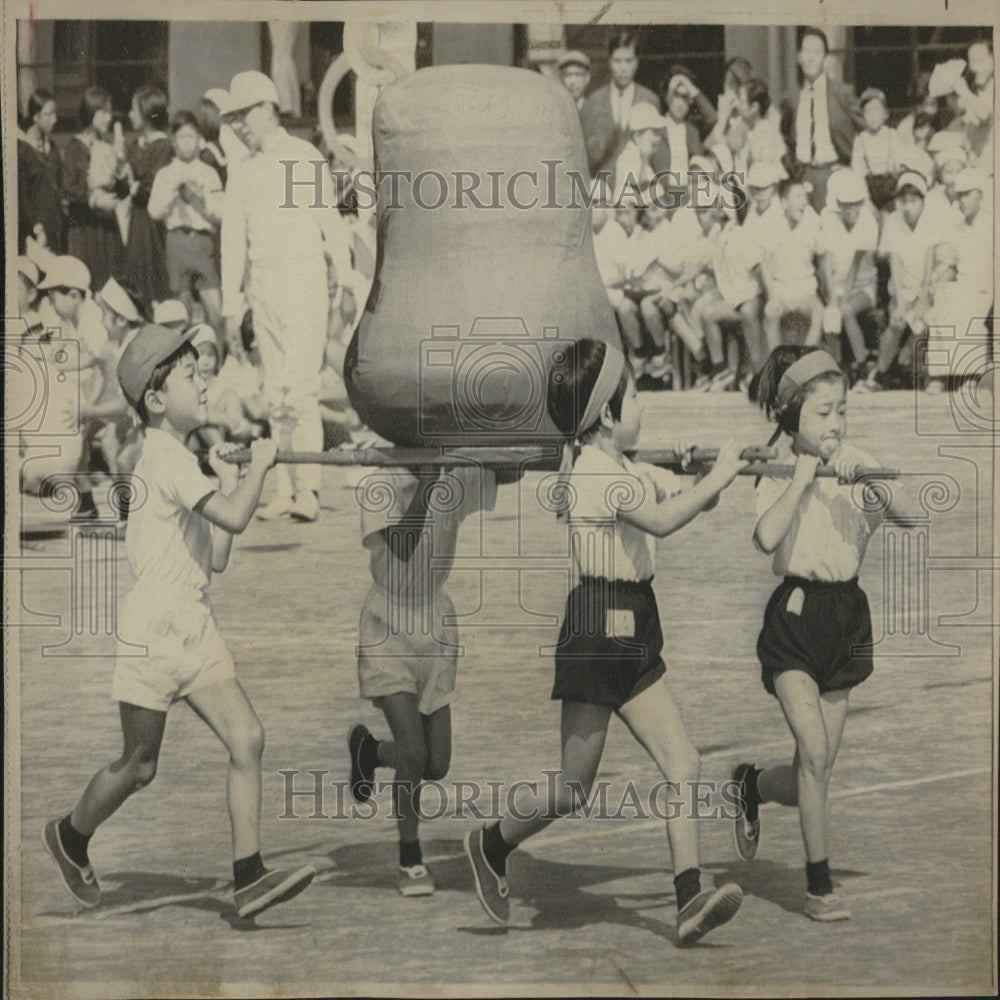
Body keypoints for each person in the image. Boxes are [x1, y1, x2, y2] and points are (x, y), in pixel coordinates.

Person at [463, 338, 747, 941]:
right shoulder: (594, 473)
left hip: (636, 620)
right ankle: (489, 842)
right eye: (636, 396)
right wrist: (716, 474)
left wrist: (702, 474)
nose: (643, 406)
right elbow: (666, 520)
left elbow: (690, 498)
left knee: (683, 763)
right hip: (597, 625)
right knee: (572, 788)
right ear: (607, 417)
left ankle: (689, 898)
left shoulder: (621, 466)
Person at [42, 322, 316, 919]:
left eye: (202, 370)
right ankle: (70, 835)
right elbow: (240, 522)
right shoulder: (163, 458)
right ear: (158, 400)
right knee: (139, 766)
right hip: (152, 631)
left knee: (248, 738)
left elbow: (215, 555)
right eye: (191, 374)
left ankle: (248, 877)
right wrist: (260, 467)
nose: (204, 380)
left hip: (192, 622)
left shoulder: (183, 460)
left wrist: (230, 477)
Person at [731, 345, 918, 922]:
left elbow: (913, 516)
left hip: (846, 618)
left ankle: (753, 785)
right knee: (814, 753)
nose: (835, 423)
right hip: (794, 616)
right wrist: (804, 479)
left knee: (816, 767)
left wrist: (867, 478)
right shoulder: (777, 467)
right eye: (822, 414)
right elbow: (766, 538)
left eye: (842, 411)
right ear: (791, 418)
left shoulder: (857, 459)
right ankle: (819, 888)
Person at [347, 462, 497, 896]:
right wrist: (430, 477)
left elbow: (505, 473)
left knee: (435, 763)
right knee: (413, 751)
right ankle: (410, 859)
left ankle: (370, 751)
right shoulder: (378, 481)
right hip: (386, 626)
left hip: (435, 624)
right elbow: (403, 544)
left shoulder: (453, 474)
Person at [219, 71, 355, 523]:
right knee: (274, 393)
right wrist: (230, 305)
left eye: (242, 115)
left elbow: (330, 222)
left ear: (266, 109)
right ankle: (280, 489)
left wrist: (345, 277)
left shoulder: (303, 156)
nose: (237, 125)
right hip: (264, 287)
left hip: (305, 284)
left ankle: (309, 490)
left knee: (301, 389)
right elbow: (233, 243)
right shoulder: (240, 171)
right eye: (232, 118)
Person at [148, 110, 225, 335]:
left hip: (203, 243)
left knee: (215, 311)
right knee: (180, 311)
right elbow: (154, 211)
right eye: (182, 137)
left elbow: (222, 213)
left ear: (199, 139)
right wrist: (173, 189)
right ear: (173, 141)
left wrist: (203, 200)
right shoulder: (166, 174)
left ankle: (217, 360)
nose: (188, 143)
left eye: (192, 136)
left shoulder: (209, 173)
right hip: (177, 242)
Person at [859, 172, 935, 392]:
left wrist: (923, 301)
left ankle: (910, 364)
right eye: (904, 201)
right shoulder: (893, 222)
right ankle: (879, 375)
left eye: (913, 201)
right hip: (902, 289)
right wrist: (901, 303)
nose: (908, 207)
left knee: (925, 321)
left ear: (922, 201)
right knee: (896, 322)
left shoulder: (931, 221)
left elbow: (930, 266)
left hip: (928, 288)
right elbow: (895, 265)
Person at [781, 28, 862, 213]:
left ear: (825, 57)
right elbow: (784, 137)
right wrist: (793, 170)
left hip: (834, 174)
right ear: (798, 57)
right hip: (802, 176)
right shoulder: (791, 98)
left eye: (816, 52)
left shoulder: (842, 93)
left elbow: (863, 131)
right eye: (806, 51)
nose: (810, 58)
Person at [62, 86, 126, 290]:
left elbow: (120, 190)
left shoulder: (108, 146)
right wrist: (95, 199)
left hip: (107, 227)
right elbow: (69, 188)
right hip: (85, 227)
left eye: (110, 112)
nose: (109, 118)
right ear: (90, 113)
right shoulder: (76, 147)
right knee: (88, 283)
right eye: (103, 112)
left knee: (110, 284)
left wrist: (120, 174)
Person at [817, 170, 878, 381]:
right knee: (830, 315)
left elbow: (855, 267)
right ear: (839, 205)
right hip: (837, 286)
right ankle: (837, 367)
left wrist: (840, 301)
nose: (852, 209)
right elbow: (825, 265)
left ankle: (862, 366)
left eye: (856, 203)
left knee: (846, 310)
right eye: (847, 204)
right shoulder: (830, 223)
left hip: (863, 287)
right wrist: (832, 298)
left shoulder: (868, 223)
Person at [579, 31, 659, 180]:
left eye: (628, 61)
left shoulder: (649, 100)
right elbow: (587, 157)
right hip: (603, 189)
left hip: (639, 188)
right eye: (617, 61)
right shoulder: (593, 103)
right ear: (609, 62)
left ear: (636, 63)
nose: (623, 68)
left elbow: (656, 155)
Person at [124, 85, 173, 308]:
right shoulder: (136, 145)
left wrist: (133, 186)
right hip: (137, 219)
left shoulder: (163, 147)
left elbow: (150, 186)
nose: (130, 114)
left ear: (146, 113)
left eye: (134, 110)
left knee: (154, 274)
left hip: (154, 222)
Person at [761, 179, 823, 352]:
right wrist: (772, 296)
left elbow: (823, 261)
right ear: (784, 202)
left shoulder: (813, 223)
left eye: (805, 197)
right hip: (781, 289)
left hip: (805, 289)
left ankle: (804, 363)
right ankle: (776, 367)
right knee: (770, 312)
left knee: (819, 312)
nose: (804, 201)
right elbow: (765, 266)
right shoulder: (772, 224)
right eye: (798, 196)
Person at [18, 88, 65, 254]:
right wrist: (37, 229)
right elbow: (23, 196)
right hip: (35, 232)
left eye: (55, 113)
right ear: (35, 116)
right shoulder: (23, 151)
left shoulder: (52, 148)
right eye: (49, 114)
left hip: (56, 227)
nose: (55, 119)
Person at [851, 88, 902, 212]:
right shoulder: (861, 139)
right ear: (862, 115)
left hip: (892, 192)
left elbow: (901, 166)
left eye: (877, 110)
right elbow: (858, 171)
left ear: (885, 114)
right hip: (869, 192)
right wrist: (866, 199)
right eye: (868, 111)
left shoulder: (892, 135)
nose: (873, 115)